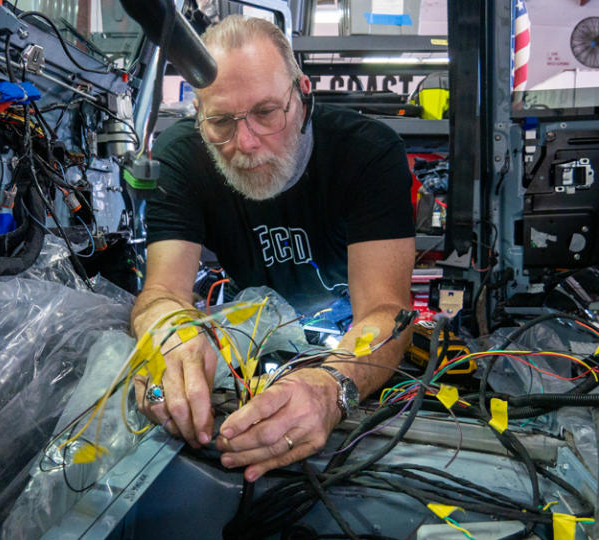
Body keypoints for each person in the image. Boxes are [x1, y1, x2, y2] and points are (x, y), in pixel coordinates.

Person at [131, 15, 416, 483]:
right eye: (221, 121)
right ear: (198, 114)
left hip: (348, 338)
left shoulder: (367, 152)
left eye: (267, 113)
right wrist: (169, 334)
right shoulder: (181, 155)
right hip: (264, 338)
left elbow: (388, 309)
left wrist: (331, 389)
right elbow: (161, 292)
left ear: (302, 92)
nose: (246, 144)